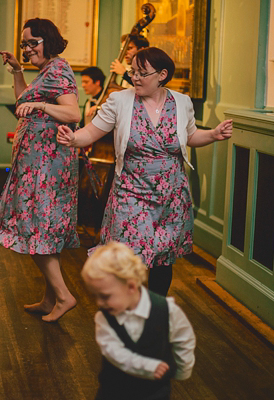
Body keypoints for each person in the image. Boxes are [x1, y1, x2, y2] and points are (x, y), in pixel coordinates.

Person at [58, 47, 233, 296]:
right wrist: (73, 138)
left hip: (171, 196)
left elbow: (190, 136)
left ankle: (154, 311)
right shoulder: (120, 100)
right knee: (128, 257)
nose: (134, 78)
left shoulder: (182, 103)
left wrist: (213, 135)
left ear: (162, 74)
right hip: (132, 192)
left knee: (162, 258)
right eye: (133, 72)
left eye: (142, 73)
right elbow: (92, 132)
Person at [0, 18, 81, 322]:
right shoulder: (45, 72)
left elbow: (73, 112)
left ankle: (64, 296)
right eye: (23, 44)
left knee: (37, 227)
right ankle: (51, 296)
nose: (25, 49)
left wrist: (41, 108)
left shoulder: (59, 69)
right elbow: (23, 100)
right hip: (34, 164)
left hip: (47, 167)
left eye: (31, 43)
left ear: (47, 41)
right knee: (41, 230)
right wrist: (16, 71)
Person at [82, 241, 196, 400]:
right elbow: (115, 353)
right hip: (114, 392)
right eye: (95, 296)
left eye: (105, 296)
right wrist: (148, 367)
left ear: (131, 286)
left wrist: (183, 369)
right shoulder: (104, 318)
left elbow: (184, 338)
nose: (99, 303)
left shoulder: (166, 309)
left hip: (154, 393)